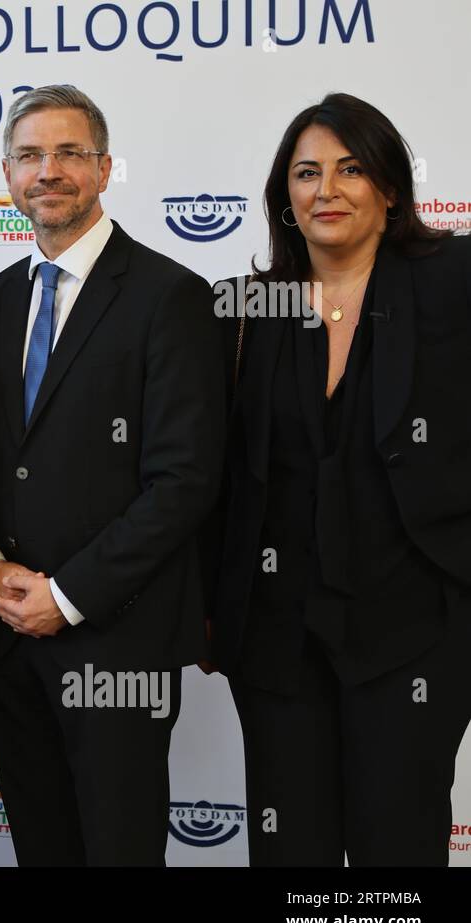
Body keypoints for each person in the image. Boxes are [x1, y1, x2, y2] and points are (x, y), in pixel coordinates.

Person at [0, 85, 225, 865]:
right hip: (5, 639)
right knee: (42, 849)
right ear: (7, 176)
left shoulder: (170, 296)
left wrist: (65, 598)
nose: (50, 171)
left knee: (118, 851)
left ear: (105, 169)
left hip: (118, 643)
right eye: (30, 156)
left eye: (70, 153)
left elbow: (184, 481)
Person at [208, 92, 471, 866]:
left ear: (390, 188)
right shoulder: (246, 310)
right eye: (307, 172)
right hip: (277, 637)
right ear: (284, 198)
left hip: (417, 629)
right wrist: (211, 607)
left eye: (351, 169)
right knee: (291, 849)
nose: (327, 189)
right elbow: (217, 475)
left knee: (398, 846)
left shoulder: (453, 282)